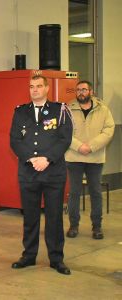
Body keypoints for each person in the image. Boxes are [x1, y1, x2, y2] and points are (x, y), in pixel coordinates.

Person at [10, 75, 73, 275]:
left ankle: (56, 259)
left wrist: (47, 159)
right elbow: (14, 140)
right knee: (30, 216)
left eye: (38, 86)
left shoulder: (60, 110)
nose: (34, 90)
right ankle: (28, 256)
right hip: (28, 173)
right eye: (31, 86)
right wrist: (30, 158)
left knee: (54, 218)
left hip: (53, 172)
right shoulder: (20, 112)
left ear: (46, 88)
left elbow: (65, 139)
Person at [65, 80, 114, 240]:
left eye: (84, 89)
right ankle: (73, 225)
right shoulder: (67, 109)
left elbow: (108, 130)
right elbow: (63, 131)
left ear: (91, 91)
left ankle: (97, 226)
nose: (81, 92)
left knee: (95, 192)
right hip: (74, 157)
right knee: (74, 192)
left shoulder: (103, 109)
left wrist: (91, 146)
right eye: (78, 90)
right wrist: (79, 146)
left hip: (95, 157)